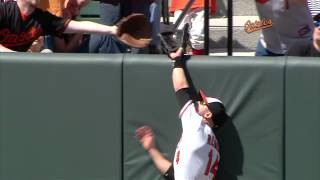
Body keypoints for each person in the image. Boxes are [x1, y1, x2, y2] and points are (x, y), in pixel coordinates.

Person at [0, 0, 118, 52]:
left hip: (15, 69)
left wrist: (112, 30)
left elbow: (80, 25)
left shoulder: (43, 19)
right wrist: (16, 56)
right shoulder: (4, 11)